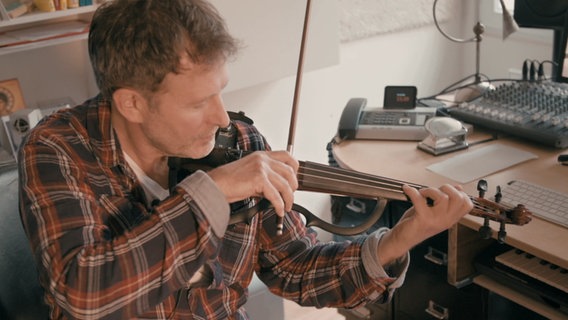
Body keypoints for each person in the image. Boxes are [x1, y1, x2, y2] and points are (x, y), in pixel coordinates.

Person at [18, 0, 473, 319]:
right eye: (199, 103)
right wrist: (211, 193)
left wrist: (401, 238)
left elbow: (295, 267)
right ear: (132, 104)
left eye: (222, 91)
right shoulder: (58, 150)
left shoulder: (238, 140)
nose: (221, 117)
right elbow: (86, 295)